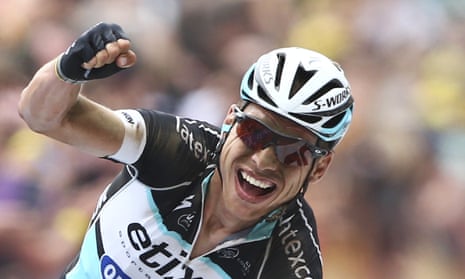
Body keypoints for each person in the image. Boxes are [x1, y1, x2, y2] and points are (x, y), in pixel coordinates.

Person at [19, 22, 354, 279]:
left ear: (320, 167)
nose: (262, 160)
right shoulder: (178, 148)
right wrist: (68, 70)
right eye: (254, 132)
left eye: (292, 151)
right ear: (229, 121)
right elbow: (44, 117)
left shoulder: (290, 262)